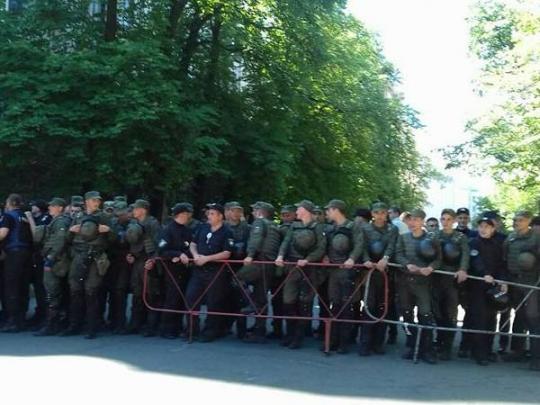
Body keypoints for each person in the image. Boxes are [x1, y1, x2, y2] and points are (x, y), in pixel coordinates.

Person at [275, 200, 327, 349]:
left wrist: (308, 259)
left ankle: (298, 337)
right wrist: (280, 256)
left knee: (304, 302)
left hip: (308, 269)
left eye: (299, 208)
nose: (296, 210)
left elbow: (321, 247)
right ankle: (290, 334)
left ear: (306, 210)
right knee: (288, 301)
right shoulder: (294, 225)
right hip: (292, 267)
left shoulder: (317, 227)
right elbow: (286, 242)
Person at [63, 191, 113, 339]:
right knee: (75, 291)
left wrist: (109, 231)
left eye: (98, 200)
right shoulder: (77, 217)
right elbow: (67, 239)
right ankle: (74, 325)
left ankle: (92, 327)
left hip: (95, 257)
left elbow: (115, 240)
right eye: (93, 200)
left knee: (91, 292)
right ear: (86, 201)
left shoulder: (104, 217)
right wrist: (71, 232)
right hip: (78, 256)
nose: (96, 203)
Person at [395, 208, 441, 364]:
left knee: (425, 315)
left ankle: (426, 349)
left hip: (423, 283)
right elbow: (398, 254)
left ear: (422, 221)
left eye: (416, 220)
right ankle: (411, 345)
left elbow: (438, 259)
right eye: (410, 220)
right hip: (405, 282)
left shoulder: (431, 239)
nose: (412, 223)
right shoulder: (403, 238)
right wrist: (406, 264)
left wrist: (431, 268)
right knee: (406, 315)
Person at [187, 203, 233, 342]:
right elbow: (193, 243)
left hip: (216, 271)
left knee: (214, 301)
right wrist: (195, 255)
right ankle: (191, 330)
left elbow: (227, 253)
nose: (209, 216)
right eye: (208, 213)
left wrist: (207, 258)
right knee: (191, 297)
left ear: (220, 216)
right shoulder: (202, 227)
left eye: (212, 213)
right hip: (199, 269)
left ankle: (210, 331)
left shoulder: (227, 232)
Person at [236, 201, 281, 343]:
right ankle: (259, 331)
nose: (253, 212)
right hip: (269, 264)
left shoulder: (259, 223)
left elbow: (256, 239)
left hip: (259, 261)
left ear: (261, 212)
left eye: (255, 210)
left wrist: (249, 255)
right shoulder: (275, 226)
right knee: (261, 297)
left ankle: (251, 304)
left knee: (237, 279)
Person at [324, 199, 364, 353]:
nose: (327, 213)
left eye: (328, 210)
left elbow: (359, 245)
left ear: (335, 210)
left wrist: (352, 259)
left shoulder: (353, 226)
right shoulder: (332, 228)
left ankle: (344, 343)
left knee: (346, 306)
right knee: (335, 305)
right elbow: (327, 246)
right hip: (334, 270)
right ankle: (332, 340)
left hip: (347, 271)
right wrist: (326, 257)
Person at [467, 216, 508, 366]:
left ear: (493, 229)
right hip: (477, 286)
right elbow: (475, 260)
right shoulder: (473, 243)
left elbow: (502, 264)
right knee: (479, 320)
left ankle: (488, 350)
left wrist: (503, 280)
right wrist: (484, 273)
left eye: (487, 226)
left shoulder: (498, 244)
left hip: (493, 288)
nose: (483, 229)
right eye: (481, 226)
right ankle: (479, 353)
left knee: (491, 320)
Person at [502, 210, 540, 370]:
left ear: (529, 221)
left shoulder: (537, 237)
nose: (517, 222)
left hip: (530, 282)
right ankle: (517, 351)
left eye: (521, 220)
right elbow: (503, 258)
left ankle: (536, 358)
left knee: (533, 318)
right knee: (519, 316)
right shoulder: (510, 237)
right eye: (516, 219)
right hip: (513, 280)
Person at [360, 202, 398, 355]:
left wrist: (385, 259)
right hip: (369, 271)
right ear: (372, 214)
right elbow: (361, 246)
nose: (380, 215)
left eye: (383, 212)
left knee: (383, 307)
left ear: (387, 214)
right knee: (369, 306)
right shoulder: (365, 228)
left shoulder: (392, 229)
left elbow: (391, 246)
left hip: (385, 271)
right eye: (377, 212)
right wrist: (366, 260)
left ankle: (378, 343)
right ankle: (365, 343)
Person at [31, 198, 72, 336]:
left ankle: (52, 324)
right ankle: (57, 322)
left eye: (53, 206)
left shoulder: (60, 221)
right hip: (57, 260)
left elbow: (60, 242)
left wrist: (50, 259)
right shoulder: (58, 220)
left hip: (57, 261)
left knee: (52, 292)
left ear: (60, 208)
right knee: (56, 292)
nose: (50, 207)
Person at [432, 209, 469, 360]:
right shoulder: (434, 235)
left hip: (451, 279)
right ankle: (439, 342)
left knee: (450, 314)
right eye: (443, 219)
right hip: (435, 278)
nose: (445, 222)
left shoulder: (460, 237)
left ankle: (447, 347)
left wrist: (462, 269)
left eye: (448, 219)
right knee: (436, 312)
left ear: (454, 221)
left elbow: (465, 255)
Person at [125, 199, 161, 336]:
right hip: (138, 261)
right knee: (137, 293)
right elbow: (132, 244)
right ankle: (135, 323)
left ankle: (151, 326)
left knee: (151, 294)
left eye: (135, 208)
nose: (133, 211)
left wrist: (153, 260)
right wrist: (130, 255)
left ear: (143, 210)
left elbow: (159, 245)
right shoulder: (134, 224)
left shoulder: (153, 223)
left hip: (148, 261)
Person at [157, 203, 194, 339]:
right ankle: (167, 328)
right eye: (187, 213)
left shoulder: (187, 230)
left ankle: (177, 326)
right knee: (171, 298)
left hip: (184, 269)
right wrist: (177, 254)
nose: (189, 216)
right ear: (181, 214)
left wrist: (186, 255)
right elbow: (162, 250)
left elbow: (191, 248)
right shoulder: (168, 230)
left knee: (181, 299)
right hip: (171, 269)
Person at [0, 194, 33, 332]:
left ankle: (12, 321)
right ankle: (21, 319)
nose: (5, 205)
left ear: (12, 203)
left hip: (13, 253)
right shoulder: (24, 217)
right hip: (27, 254)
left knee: (10, 287)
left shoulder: (8, 216)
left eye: (7, 202)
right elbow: (34, 233)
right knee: (22, 286)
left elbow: (2, 234)